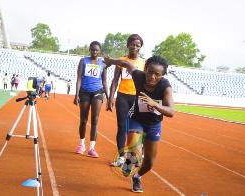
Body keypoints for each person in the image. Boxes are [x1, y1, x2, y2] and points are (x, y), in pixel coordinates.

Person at [104, 55, 175, 193]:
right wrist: (111, 61)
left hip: (154, 124)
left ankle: (137, 177)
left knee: (149, 162)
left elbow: (171, 111)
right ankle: (131, 161)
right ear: (145, 69)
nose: (152, 77)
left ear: (162, 76)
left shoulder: (165, 87)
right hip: (137, 119)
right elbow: (126, 63)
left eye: (157, 74)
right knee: (135, 155)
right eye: (150, 72)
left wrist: (153, 104)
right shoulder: (138, 76)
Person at [107, 34, 145, 166]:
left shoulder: (143, 63)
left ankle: (139, 153)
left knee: (137, 127)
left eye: (138, 45)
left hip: (136, 97)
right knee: (122, 127)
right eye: (132, 44)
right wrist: (110, 97)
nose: (135, 47)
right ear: (128, 45)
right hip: (122, 96)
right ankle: (121, 158)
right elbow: (115, 80)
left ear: (140, 47)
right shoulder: (121, 61)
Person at [73, 41, 109, 158]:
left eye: (97, 50)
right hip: (84, 91)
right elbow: (79, 77)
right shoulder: (83, 61)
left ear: (100, 51)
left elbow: (105, 81)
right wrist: (76, 94)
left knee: (95, 120)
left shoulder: (103, 64)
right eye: (93, 50)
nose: (94, 52)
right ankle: (81, 144)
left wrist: (108, 97)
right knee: (83, 120)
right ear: (90, 50)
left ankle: (92, 148)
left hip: (98, 92)